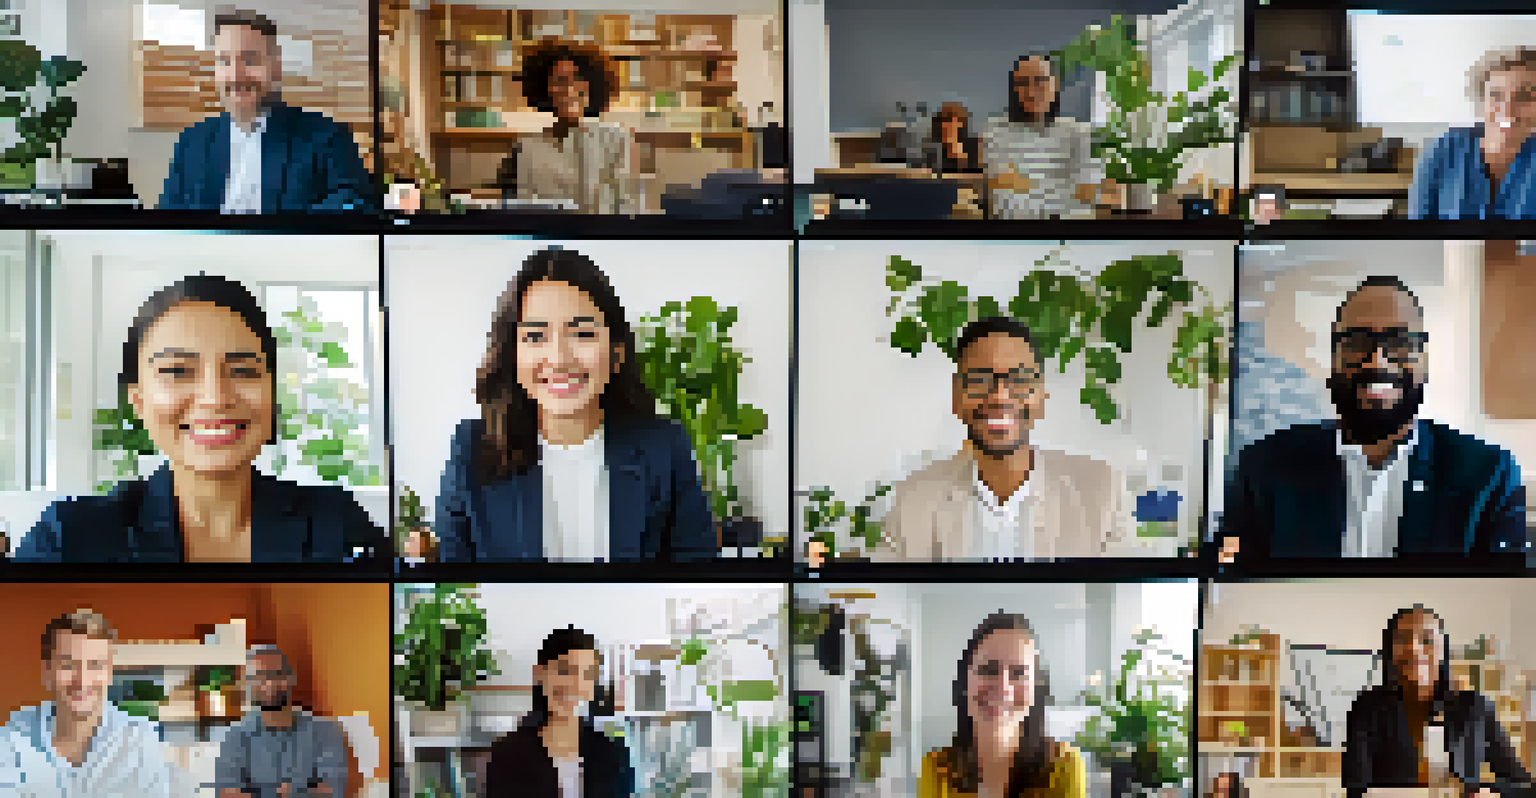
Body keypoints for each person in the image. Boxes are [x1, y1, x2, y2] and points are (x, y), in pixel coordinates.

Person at [16, 275, 385, 563]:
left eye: (243, 370)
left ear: (272, 395)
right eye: (177, 371)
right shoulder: (66, 540)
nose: (216, 398)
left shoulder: (338, 526)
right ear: (138, 402)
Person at [435, 248, 715, 562]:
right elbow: (456, 586)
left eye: (582, 333)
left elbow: (697, 582)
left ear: (617, 353)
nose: (559, 359)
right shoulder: (470, 451)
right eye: (535, 336)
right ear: (512, 354)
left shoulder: (666, 448)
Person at [1222, 276, 1527, 564]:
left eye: (1400, 342)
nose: (1377, 360)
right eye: (1356, 342)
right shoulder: (1262, 469)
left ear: (1424, 361)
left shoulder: (1489, 477)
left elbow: (1503, 606)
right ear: (1333, 361)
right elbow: (1234, 594)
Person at [880, 317, 1126, 561]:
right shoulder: (913, 498)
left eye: (1019, 380)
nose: (999, 396)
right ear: (957, 398)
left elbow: (1128, 597)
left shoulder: (1101, 492)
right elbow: (883, 596)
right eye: (979, 380)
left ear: (1041, 397)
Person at [159, 10, 375, 214]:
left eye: (250, 60)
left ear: (276, 68)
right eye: (224, 61)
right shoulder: (191, 141)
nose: (235, 75)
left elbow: (355, 203)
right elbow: (168, 222)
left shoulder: (327, 136)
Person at [1343, 605, 1530, 798]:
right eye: (1401, 639)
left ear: (1443, 648)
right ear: (1390, 650)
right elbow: (1355, 787)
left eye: (1426, 639)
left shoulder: (1476, 706)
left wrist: (1493, 793)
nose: (1414, 648)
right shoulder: (1366, 706)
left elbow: (1521, 784)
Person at [0, 611, 188, 797]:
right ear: (47, 671)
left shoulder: (140, 741)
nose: (82, 681)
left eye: (95, 665)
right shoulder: (13, 739)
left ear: (109, 673)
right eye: (67, 665)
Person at [920, 612, 1086, 798]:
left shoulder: (1065, 765)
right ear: (964, 681)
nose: (1003, 687)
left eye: (1018, 673)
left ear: (1036, 687)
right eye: (988, 670)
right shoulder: (934, 770)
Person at [484, 627, 634, 797]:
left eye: (587, 675)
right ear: (539, 673)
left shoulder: (613, 752)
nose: (575, 684)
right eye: (565, 671)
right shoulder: (508, 754)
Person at [498, 40, 639, 214]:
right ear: (545, 88)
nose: (569, 89)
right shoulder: (527, 147)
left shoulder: (617, 140)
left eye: (579, 79)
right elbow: (519, 209)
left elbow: (627, 207)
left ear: (593, 84)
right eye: (560, 80)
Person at [982, 53, 1111, 220]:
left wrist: (1025, 186)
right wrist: (1065, 189)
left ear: (1054, 85)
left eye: (1039, 81)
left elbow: (1088, 196)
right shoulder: (995, 131)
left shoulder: (1079, 132)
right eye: (1022, 83)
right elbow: (1005, 201)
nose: (1031, 92)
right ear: (1014, 89)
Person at [1412, 47, 1536, 219]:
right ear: (1481, 101)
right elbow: (1419, 231)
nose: (1508, 110)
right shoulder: (1441, 150)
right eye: (1495, 95)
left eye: (1525, 97)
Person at [213, 645, 349, 798]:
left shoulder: (326, 731)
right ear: (247, 685)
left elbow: (336, 790)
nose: (269, 684)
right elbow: (227, 792)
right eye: (259, 677)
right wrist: (305, 792)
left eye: (278, 674)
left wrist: (291, 793)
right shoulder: (234, 737)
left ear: (291, 678)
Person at [928, 101, 983, 174]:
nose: (944, 126)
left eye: (948, 120)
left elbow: (977, 175)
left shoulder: (973, 145)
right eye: (941, 121)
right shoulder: (934, 150)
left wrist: (960, 157)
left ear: (960, 123)